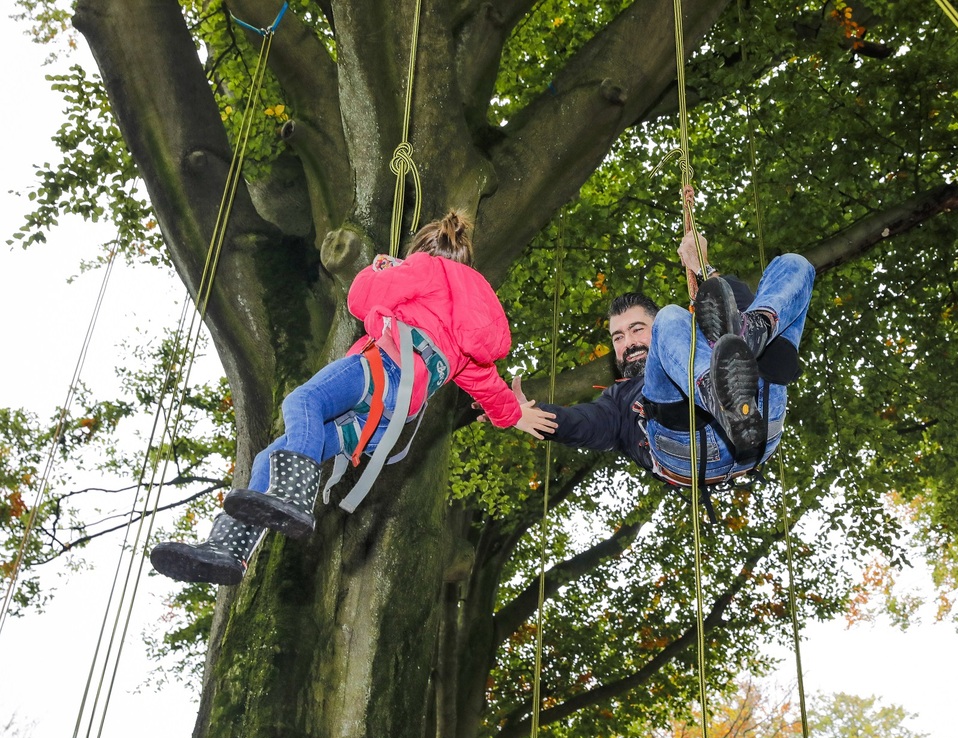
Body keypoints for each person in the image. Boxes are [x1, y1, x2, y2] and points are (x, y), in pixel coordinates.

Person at [150, 211, 557, 585]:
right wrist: (513, 415)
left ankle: (292, 495)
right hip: (389, 419)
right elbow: (487, 384)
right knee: (269, 458)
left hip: (381, 371)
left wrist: (379, 268)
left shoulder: (426, 268)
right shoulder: (471, 321)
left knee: (301, 404)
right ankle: (229, 551)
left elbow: (360, 300)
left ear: (422, 250)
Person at [527, 216, 815, 494]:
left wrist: (703, 268)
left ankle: (751, 332)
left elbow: (733, 302)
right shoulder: (618, 402)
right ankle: (720, 395)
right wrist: (518, 412)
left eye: (637, 329)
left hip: (759, 420)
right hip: (685, 447)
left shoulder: (693, 334)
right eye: (618, 337)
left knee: (793, 266)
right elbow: (581, 423)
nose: (628, 342)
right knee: (672, 318)